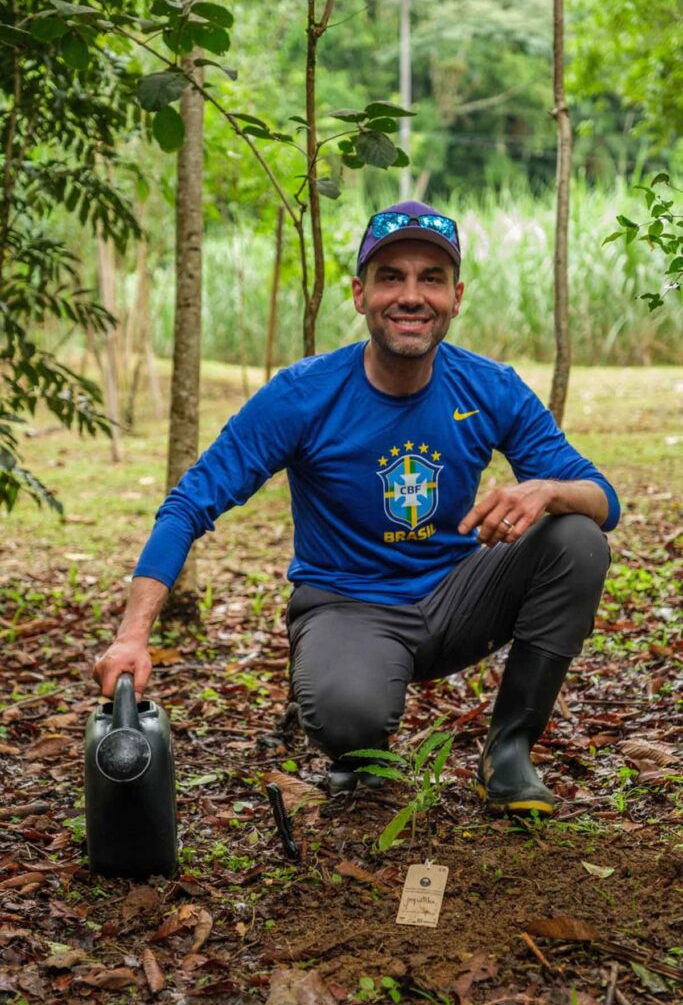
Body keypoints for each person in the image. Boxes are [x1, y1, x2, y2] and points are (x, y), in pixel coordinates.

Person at [94, 200, 619, 816]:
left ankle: (508, 753)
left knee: (578, 540)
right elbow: (188, 505)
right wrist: (133, 637)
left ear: (456, 297)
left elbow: (602, 498)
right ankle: (362, 751)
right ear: (359, 293)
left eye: (432, 278)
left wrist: (548, 490)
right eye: (391, 277)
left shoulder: (489, 386)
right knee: (347, 717)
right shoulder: (302, 394)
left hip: (457, 595)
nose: (411, 296)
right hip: (349, 604)